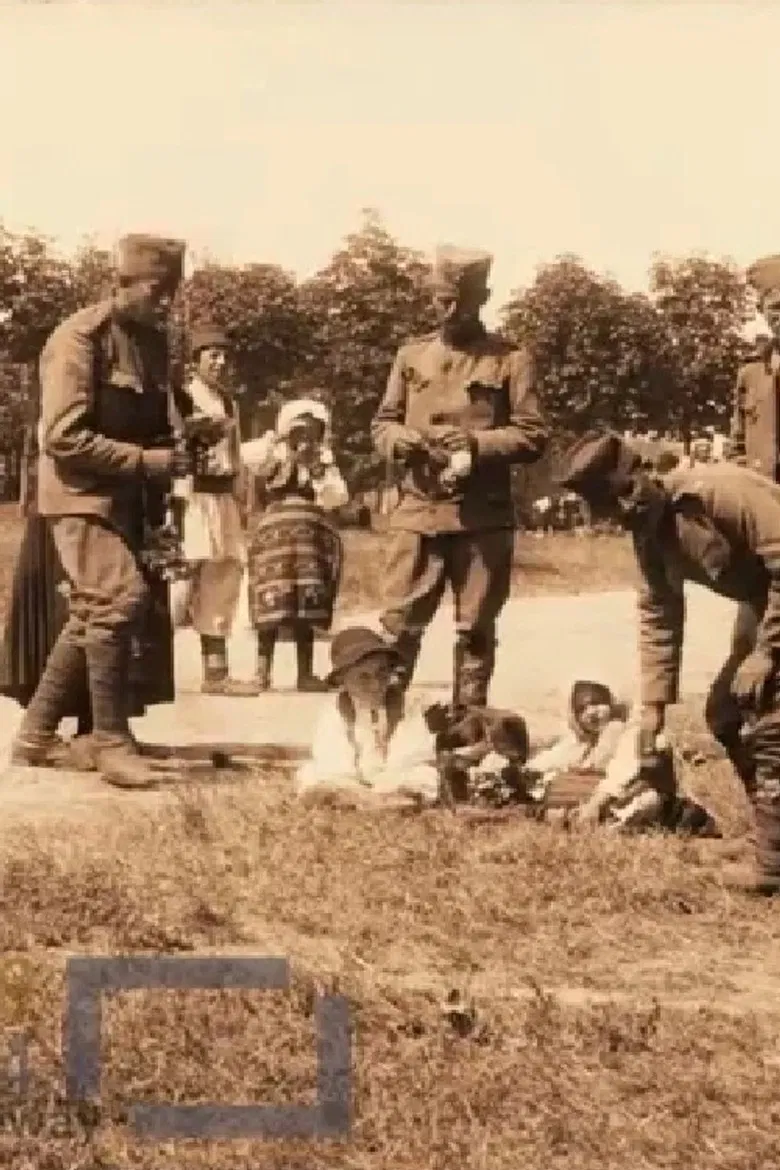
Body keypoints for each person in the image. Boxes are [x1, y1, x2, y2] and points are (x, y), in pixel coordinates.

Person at [557, 428, 780, 892]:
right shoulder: (648, 532)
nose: (624, 516)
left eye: (628, 501)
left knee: (769, 718)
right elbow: (658, 614)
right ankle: (770, 835)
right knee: (725, 713)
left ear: (645, 474)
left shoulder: (721, 492)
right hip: (764, 607)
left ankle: (773, 864)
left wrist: (766, 652)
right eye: (613, 512)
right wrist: (653, 711)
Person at [9, 232, 195, 789]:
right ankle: (109, 742)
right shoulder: (78, 339)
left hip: (126, 495)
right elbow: (63, 437)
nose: (165, 303)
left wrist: (181, 442)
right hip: (79, 494)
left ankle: (36, 735)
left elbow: (151, 420)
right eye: (155, 291)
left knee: (95, 609)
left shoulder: (151, 343)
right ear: (121, 283)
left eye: (171, 292)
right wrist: (148, 462)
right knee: (119, 599)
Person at [371, 244, 549, 711]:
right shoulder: (411, 356)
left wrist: (475, 446)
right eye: (438, 299)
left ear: (481, 297)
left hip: (480, 520)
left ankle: (465, 740)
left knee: (475, 632)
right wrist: (399, 441)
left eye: (457, 301)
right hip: (417, 514)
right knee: (398, 627)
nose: (445, 310)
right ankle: (378, 733)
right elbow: (382, 423)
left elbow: (533, 436)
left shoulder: (511, 360)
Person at [170, 324, 258, 695]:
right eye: (212, 355)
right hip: (190, 496)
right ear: (195, 362)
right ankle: (141, 670)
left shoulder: (229, 402)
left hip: (223, 499)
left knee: (222, 579)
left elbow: (235, 456)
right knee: (182, 580)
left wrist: (243, 499)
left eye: (224, 356)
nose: (220, 363)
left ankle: (216, 673)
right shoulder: (181, 398)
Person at [243, 397, 348, 692]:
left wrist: (316, 466)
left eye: (312, 429)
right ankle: (262, 672)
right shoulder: (273, 454)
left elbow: (336, 498)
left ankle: (305, 673)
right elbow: (248, 458)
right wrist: (280, 442)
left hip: (309, 540)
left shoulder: (323, 462)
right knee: (271, 603)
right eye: (299, 429)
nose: (305, 436)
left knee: (307, 602)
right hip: (275, 538)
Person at [525, 679, 719, 834]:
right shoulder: (586, 742)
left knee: (646, 801)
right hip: (604, 799)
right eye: (582, 709)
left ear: (611, 704)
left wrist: (595, 804)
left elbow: (622, 772)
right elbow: (554, 758)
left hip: (639, 795)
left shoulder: (631, 732)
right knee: (553, 789)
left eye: (596, 703)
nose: (591, 712)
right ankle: (593, 821)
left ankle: (606, 823)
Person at [295, 625, 440, 806]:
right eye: (363, 677)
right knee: (312, 774)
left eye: (382, 673)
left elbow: (412, 753)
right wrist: (355, 787)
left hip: (394, 776)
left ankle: (389, 800)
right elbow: (333, 759)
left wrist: (387, 782)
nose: (376, 685)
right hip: (350, 780)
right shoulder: (335, 710)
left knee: (423, 774)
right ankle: (362, 800)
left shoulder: (405, 705)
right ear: (342, 679)